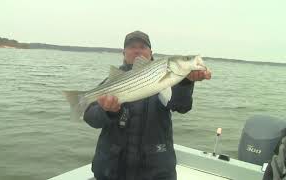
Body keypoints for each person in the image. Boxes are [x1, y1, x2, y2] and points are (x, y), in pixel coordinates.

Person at [83, 31, 212, 180]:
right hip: (113, 171)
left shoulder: (168, 79)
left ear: (151, 52)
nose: (137, 50)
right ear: (123, 53)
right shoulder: (112, 81)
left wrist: (186, 82)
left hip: (154, 172)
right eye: (131, 47)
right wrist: (107, 111)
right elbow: (91, 118)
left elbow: (181, 106)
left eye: (143, 46)